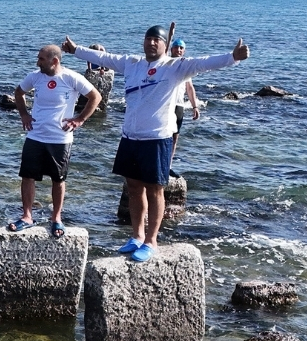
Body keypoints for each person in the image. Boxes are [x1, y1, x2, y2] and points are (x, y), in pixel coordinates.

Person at [63, 25, 249, 262]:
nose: (152, 43)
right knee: (133, 188)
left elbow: (205, 63)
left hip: (157, 138)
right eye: (148, 39)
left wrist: (233, 57)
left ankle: (151, 241)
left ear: (164, 44)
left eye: (157, 40)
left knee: (155, 189)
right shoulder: (132, 63)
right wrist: (75, 50)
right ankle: (137, 236)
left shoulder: (175, 67)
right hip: (130, 136)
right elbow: (104, 58)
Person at [8, 44, 101, 238]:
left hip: (61, 138)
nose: (37, 62)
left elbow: (95, 97)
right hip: (35, 135)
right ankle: (27, 216)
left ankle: (56, 218)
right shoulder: (35, 77)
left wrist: (80, 119)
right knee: (27, 176)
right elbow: (19, 93)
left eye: (41, 59)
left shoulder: (71, 78)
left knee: (58, 179)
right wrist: (24, 114)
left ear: (54, 61)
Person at [168, 37, 200, 171]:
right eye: (176, 47)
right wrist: (170, 34)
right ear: (171, 49)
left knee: (175, 137)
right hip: (167, 103)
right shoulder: (166, 62)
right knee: (162, 135)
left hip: (179, 105)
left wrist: (195, 106)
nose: (178, 50)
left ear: (184, 51)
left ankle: (168, 165)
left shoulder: (186, 66)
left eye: (181, 48)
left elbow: (189, 88)